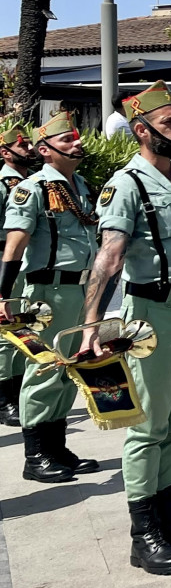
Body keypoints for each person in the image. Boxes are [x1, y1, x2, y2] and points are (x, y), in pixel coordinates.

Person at [82, 82, 171, 574]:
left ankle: (169, 520)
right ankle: (143, 534)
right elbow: (109, 257)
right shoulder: (129, 184)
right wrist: (91, 327)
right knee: (146, 430)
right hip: (152, 316)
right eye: (169, 122)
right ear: (141, 130)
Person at [1, 112, 101, 484]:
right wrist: (2, 296)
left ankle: (56, 446)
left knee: (67, 369)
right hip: (47, 291)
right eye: (67, 140)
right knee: (44, 372)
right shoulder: (33, 188)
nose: (77, 144)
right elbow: (15, 245)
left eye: (76, 138)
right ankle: (36, 454)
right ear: (45, 150)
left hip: (78, 289)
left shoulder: (82, 186)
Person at [0, 120, 41, 428]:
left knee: (18, 330)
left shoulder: (30, 183)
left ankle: (13, 394)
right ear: (5, 152)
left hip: (26, 265)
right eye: (22, 145)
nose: (28, 148)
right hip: (6, 262)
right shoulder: (5, 184)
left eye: (29, 144)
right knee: (5, 333)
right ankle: (3, 399)